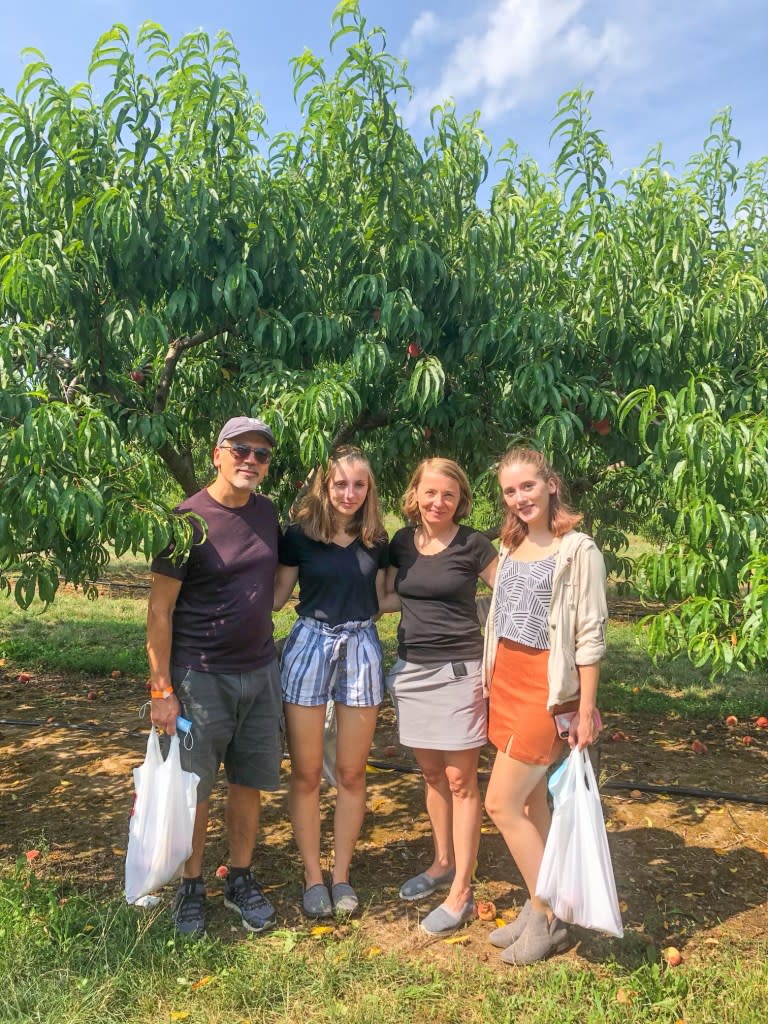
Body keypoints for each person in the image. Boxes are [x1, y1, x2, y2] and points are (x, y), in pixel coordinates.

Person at [147, 416, 282, 937]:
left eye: (261, 454)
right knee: (196, 789)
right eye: (240, 450)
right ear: (216, 455)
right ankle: (191, 885)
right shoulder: (185, 521)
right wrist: (162, 689)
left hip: (261, 671)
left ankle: (240, 878)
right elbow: (160, 611)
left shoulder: (268, 514)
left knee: (248, 782)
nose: (251, 460)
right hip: (199, 677)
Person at [481, 447, 607, 965]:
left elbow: (591, 636)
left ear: (550, 484)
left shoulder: (578, 550)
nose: (519, 498)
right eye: (510, 491)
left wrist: (584, 707)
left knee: (500, 804)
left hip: (545, 689)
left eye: (527, 487)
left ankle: (551, 916)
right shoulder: (510, 546)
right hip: (506, 682)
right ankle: (537, 908)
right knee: (532, 804)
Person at [273, 447, 395, 917]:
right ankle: (312, 876)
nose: (349, 493)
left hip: (361, 646)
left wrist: (450, 586)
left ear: (369, 490)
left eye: (358, 484)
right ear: (324, 487)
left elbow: (385, 598)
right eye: (340, 484)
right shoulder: (298, 537)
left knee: (351, 772)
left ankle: (341, 875)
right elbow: (279, 596)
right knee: (305, 772)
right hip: (309, 644)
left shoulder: (378, 540)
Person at [385, 458, 497, 936]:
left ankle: (462, 892)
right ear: (415, 495)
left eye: (448, 495)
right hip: (411, 671)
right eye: (430, 493)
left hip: (458, 673)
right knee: (431, 773)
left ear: (460, 500)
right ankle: (442, 862)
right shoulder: (400, 544)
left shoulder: (474, 544)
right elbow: (388, 598)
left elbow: (511, 596)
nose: (438, 502)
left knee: (460, 779)